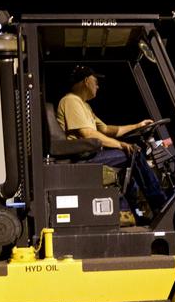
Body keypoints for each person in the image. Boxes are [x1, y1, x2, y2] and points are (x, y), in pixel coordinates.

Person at [56, 65, 167, 215]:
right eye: (96, 82)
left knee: (131, 158)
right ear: (87, 81)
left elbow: (106, 130)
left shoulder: (85, 106)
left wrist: (137, 125)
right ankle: (160, 204)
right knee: (133, 155)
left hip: (91, 155)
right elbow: (88, 134)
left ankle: (131, 211)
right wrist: (121, 145)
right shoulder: (70, 101)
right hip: (82, 159)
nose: (98, 86)